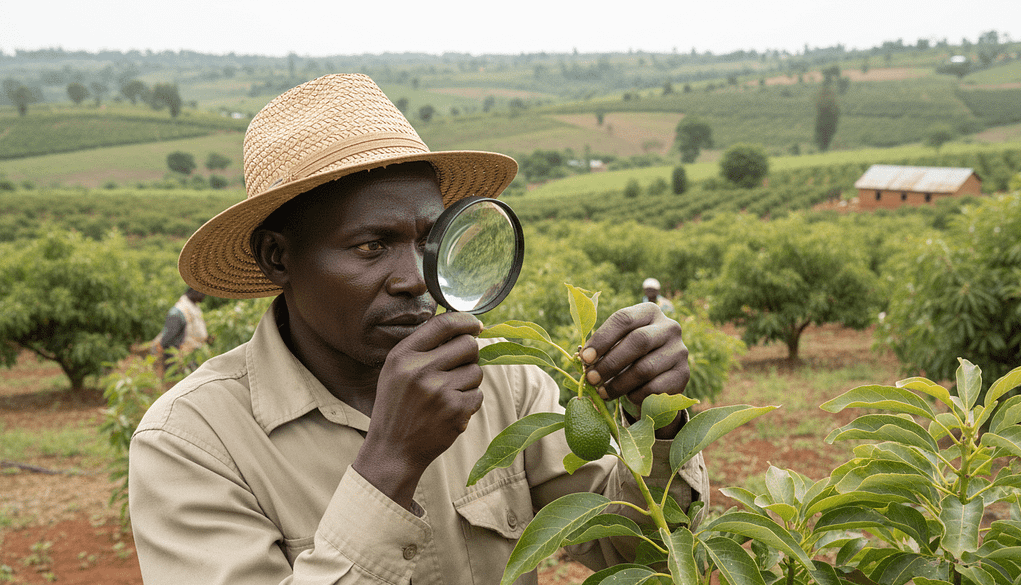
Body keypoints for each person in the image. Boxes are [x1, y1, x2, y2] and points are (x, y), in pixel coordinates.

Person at [128, 74, 708, 585]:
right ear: (278, 258)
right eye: (370, 246)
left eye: (430, 242)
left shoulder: (504, 382)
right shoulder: (193, 441)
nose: (416, 279)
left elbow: (637, 551)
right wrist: (390, 461)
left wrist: (657, 424)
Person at [155, 286, 207, 374]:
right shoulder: (178, 312)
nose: (204, 296)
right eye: (202, 293)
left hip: (192, 354)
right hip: (177, 357)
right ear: (194, 292)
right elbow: (168, 337)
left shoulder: (193, 307)